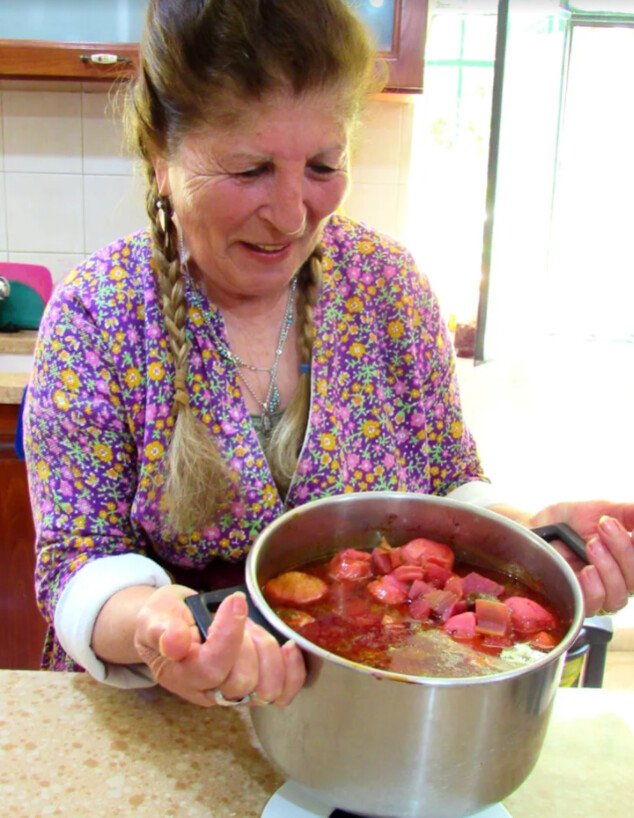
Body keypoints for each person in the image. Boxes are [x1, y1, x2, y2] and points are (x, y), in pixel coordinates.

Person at [24, 0, 633, 709]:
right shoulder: (97, 316)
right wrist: (163, 628)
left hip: (360, 707)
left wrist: (528, 539)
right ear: (162, 158)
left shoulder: (388, 287)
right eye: (249, 170)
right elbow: (75, 565)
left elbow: (447, 482)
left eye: (322, 164)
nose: (291, 215)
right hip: (166, 719)